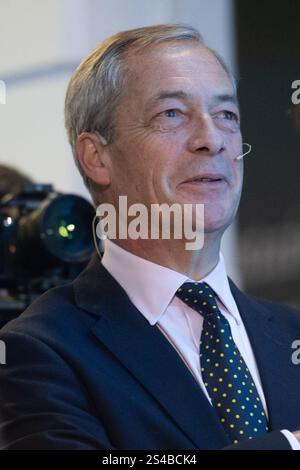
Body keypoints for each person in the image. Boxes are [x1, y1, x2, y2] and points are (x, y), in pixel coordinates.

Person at [0, 24, 299, 451]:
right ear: (96, 157)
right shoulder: (40, 351)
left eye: (226, 116)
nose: (211, 140)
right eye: (172, 114)